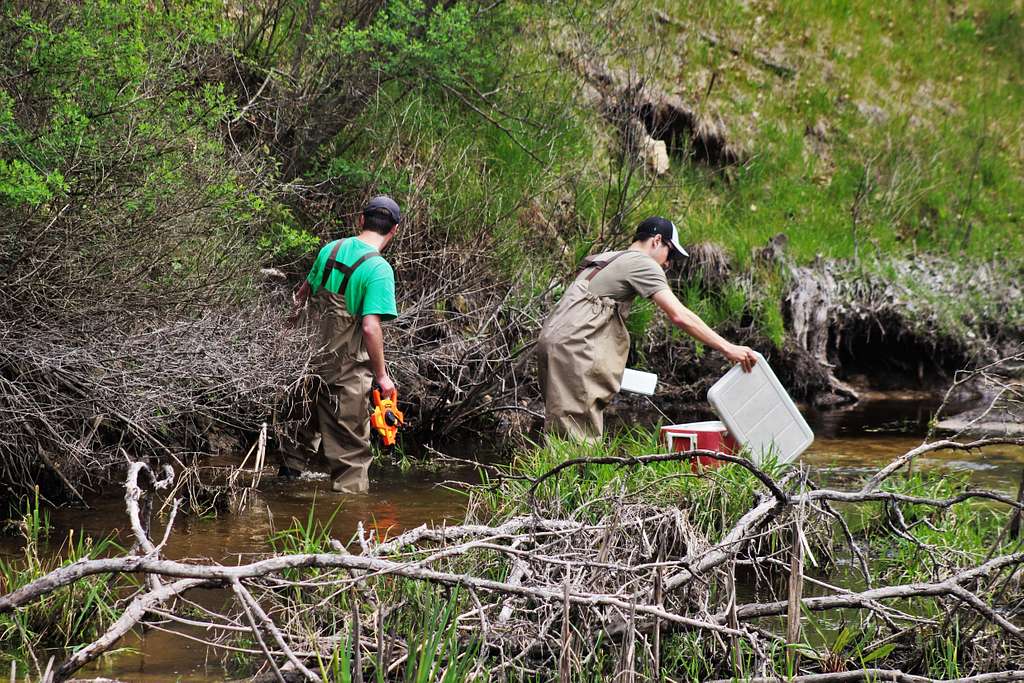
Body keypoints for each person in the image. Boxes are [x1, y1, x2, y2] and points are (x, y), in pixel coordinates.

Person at [536, 216, 758, 443]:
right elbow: (680, 315)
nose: (668, 264)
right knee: (578, 437)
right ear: (657, 240)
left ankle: (555, 475)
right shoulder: (643, 263)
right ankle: (575, 478)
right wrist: (728, 347)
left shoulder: (605, 258)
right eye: (670, 254)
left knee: (561, 429)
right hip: (575, 349)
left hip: (551, 344)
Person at [280, 196, 401, 493]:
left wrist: (283, 339)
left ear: (361, 220)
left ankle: (280, 498)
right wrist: (383, 377)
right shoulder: (378, 270)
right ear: (394, 230)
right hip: (344, 378)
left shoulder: (329, 250)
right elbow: (370, 327)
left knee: (295, 445)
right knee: (351, 460)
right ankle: (349, 528)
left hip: (306, 369)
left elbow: (301, 298)